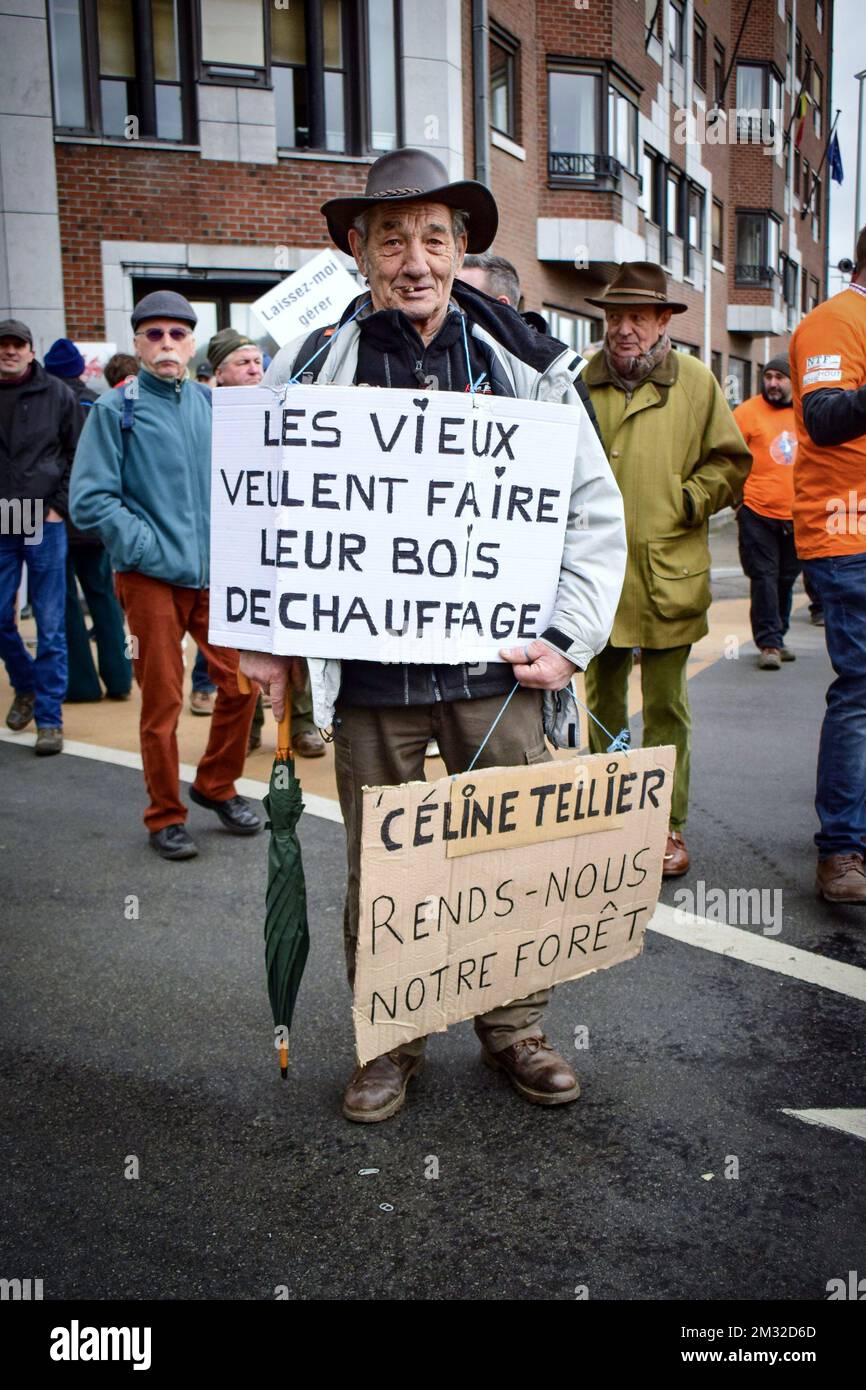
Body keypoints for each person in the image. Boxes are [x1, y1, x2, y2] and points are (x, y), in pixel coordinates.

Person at [240, 147, 626, 1123]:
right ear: (357, 251)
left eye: (433, 238)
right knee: (384, 875)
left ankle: (515, 1032)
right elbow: (272, 515)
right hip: (371, 681)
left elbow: (588, 505)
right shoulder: (313, 366)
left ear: (459, 251)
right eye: (391, 239)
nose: (413, 258)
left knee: (511, 855)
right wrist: (263, 633)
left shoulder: (525, 366)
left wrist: (571, 636)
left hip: (497, 672)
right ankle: (391, 1040)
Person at [70, 290, 261, 860]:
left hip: (213, 577)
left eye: (177, 334)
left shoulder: (213, 404)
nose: (166, 344)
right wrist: (146, 546)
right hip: (150, 579)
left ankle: (214, 785)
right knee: (163, 702)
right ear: (137, 343)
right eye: (154, 334)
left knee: (242, 684)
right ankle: (164, 814)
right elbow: (90, 500)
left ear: (192, 342)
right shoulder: (114, 409)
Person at [581, 262, 752, 877]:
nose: (624, 328)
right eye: (614, 316)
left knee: (665, 706)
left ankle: (665, 826)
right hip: (594, 578)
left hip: (667, 575)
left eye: (636, 317)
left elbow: (731, 464)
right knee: (598, 699)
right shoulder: (580, 380)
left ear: (660, 322)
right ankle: (608, 813)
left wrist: (688, 499)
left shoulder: (699, 383)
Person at [205, 326, 326, 758]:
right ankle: (251, 723)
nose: (256, 369)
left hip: (290, 542)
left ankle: (305, 724)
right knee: (245, 640)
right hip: (240, 547)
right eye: (244, 363)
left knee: (296, 633)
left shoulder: (287, 402)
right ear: (220, 372)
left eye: (258, 361)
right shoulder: (213, 415)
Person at [790, 227, 866, 904]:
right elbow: (822, 416)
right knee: (862, 690)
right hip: (851, 536)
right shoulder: (836, 320)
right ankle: (841, 847)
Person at [0, 319, 81, 755]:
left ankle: (49, 719)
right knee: (0, 617)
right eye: (4, 345)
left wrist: (58, 506)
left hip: (42, 515)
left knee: (50, 625)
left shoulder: (57, 394)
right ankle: (27, 685)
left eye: (18, 345)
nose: (10, 351)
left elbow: (77, 452)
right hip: (2, 515)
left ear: (31, 351)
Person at [44, 339, 132, 704]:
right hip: (94, 521)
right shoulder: (99, 403)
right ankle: (120, 678)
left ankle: (80, 684)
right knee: (104, 600)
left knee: (61, 602)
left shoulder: (44, 404)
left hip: (48, 517)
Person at [733, 356, 801, 670]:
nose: (772, 383)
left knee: (786, 578)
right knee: (764, 577)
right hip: (756, 512)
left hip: (797, 515)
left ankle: (779, 635)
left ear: (793, 380)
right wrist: (737, 500)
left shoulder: (805, 412)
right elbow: (728, 457)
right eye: (768, 377)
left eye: (780, 378)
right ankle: (769, 643)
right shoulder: (746, 413)